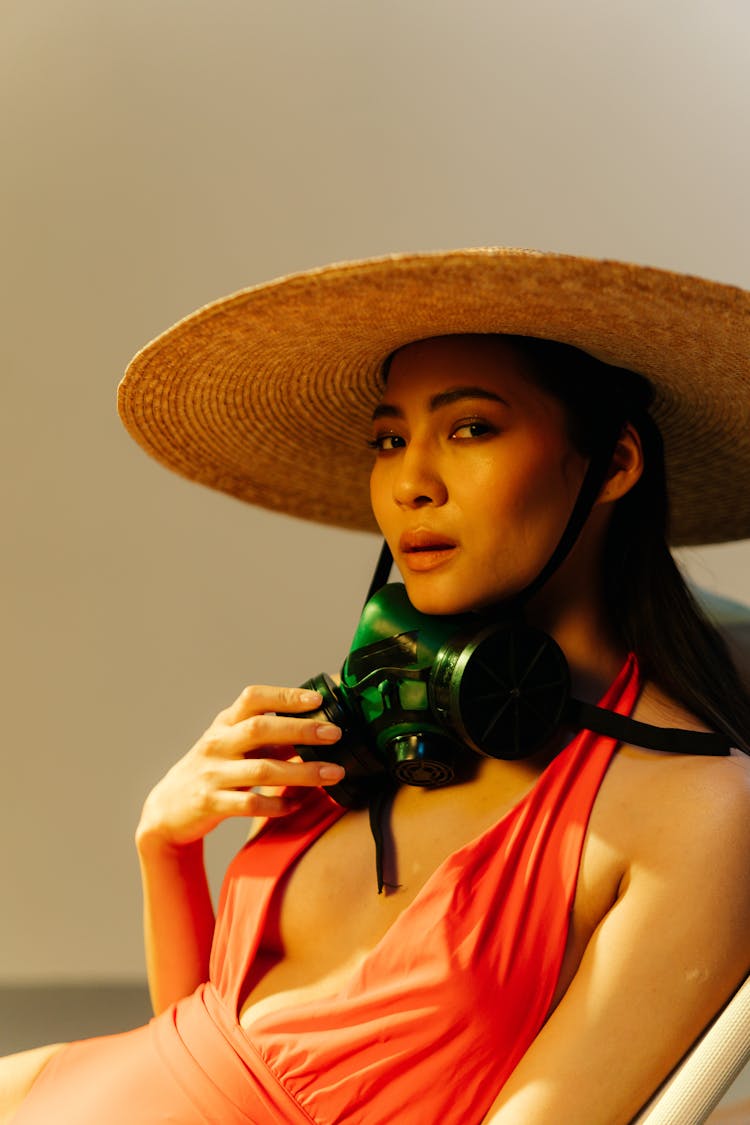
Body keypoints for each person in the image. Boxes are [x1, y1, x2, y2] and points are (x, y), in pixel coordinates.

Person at [3, 248, 750, 1124]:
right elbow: (208, 1052)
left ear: (614, 463)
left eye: (470, 428)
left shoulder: (697, 808)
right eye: (390, 439)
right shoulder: (392, 722)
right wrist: (166, 846)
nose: (410, 483)